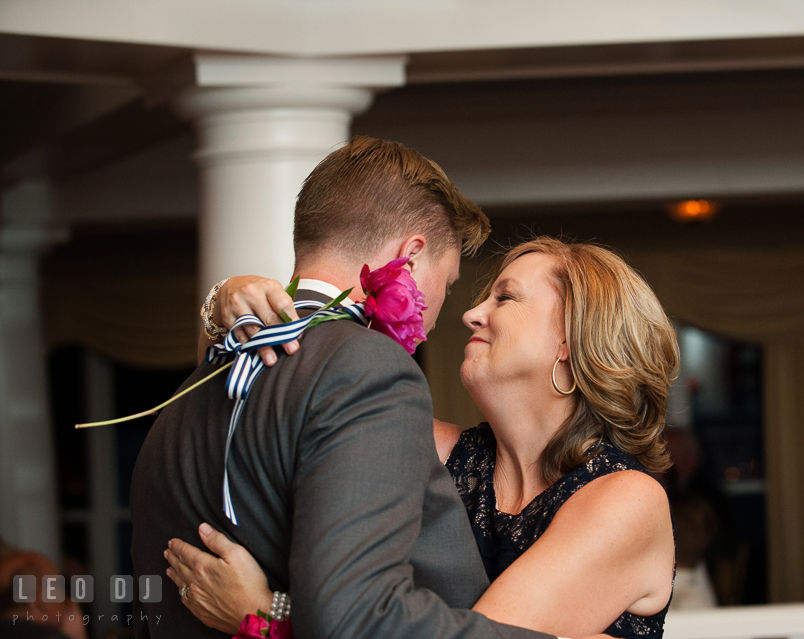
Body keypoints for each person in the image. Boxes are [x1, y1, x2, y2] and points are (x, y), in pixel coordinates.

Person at [130, 136, 556, 639]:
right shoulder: (366, 367)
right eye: (449, 279)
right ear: (412, 256)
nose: (446, 307)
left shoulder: (198, 384)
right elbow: (355, 616)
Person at [164, 237, 677, 638]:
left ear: (568, 340)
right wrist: (226, 302)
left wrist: (266, 614)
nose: (471, 313)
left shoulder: (626, 502)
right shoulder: (429, 446)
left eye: (505, 297)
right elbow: (288, 402)